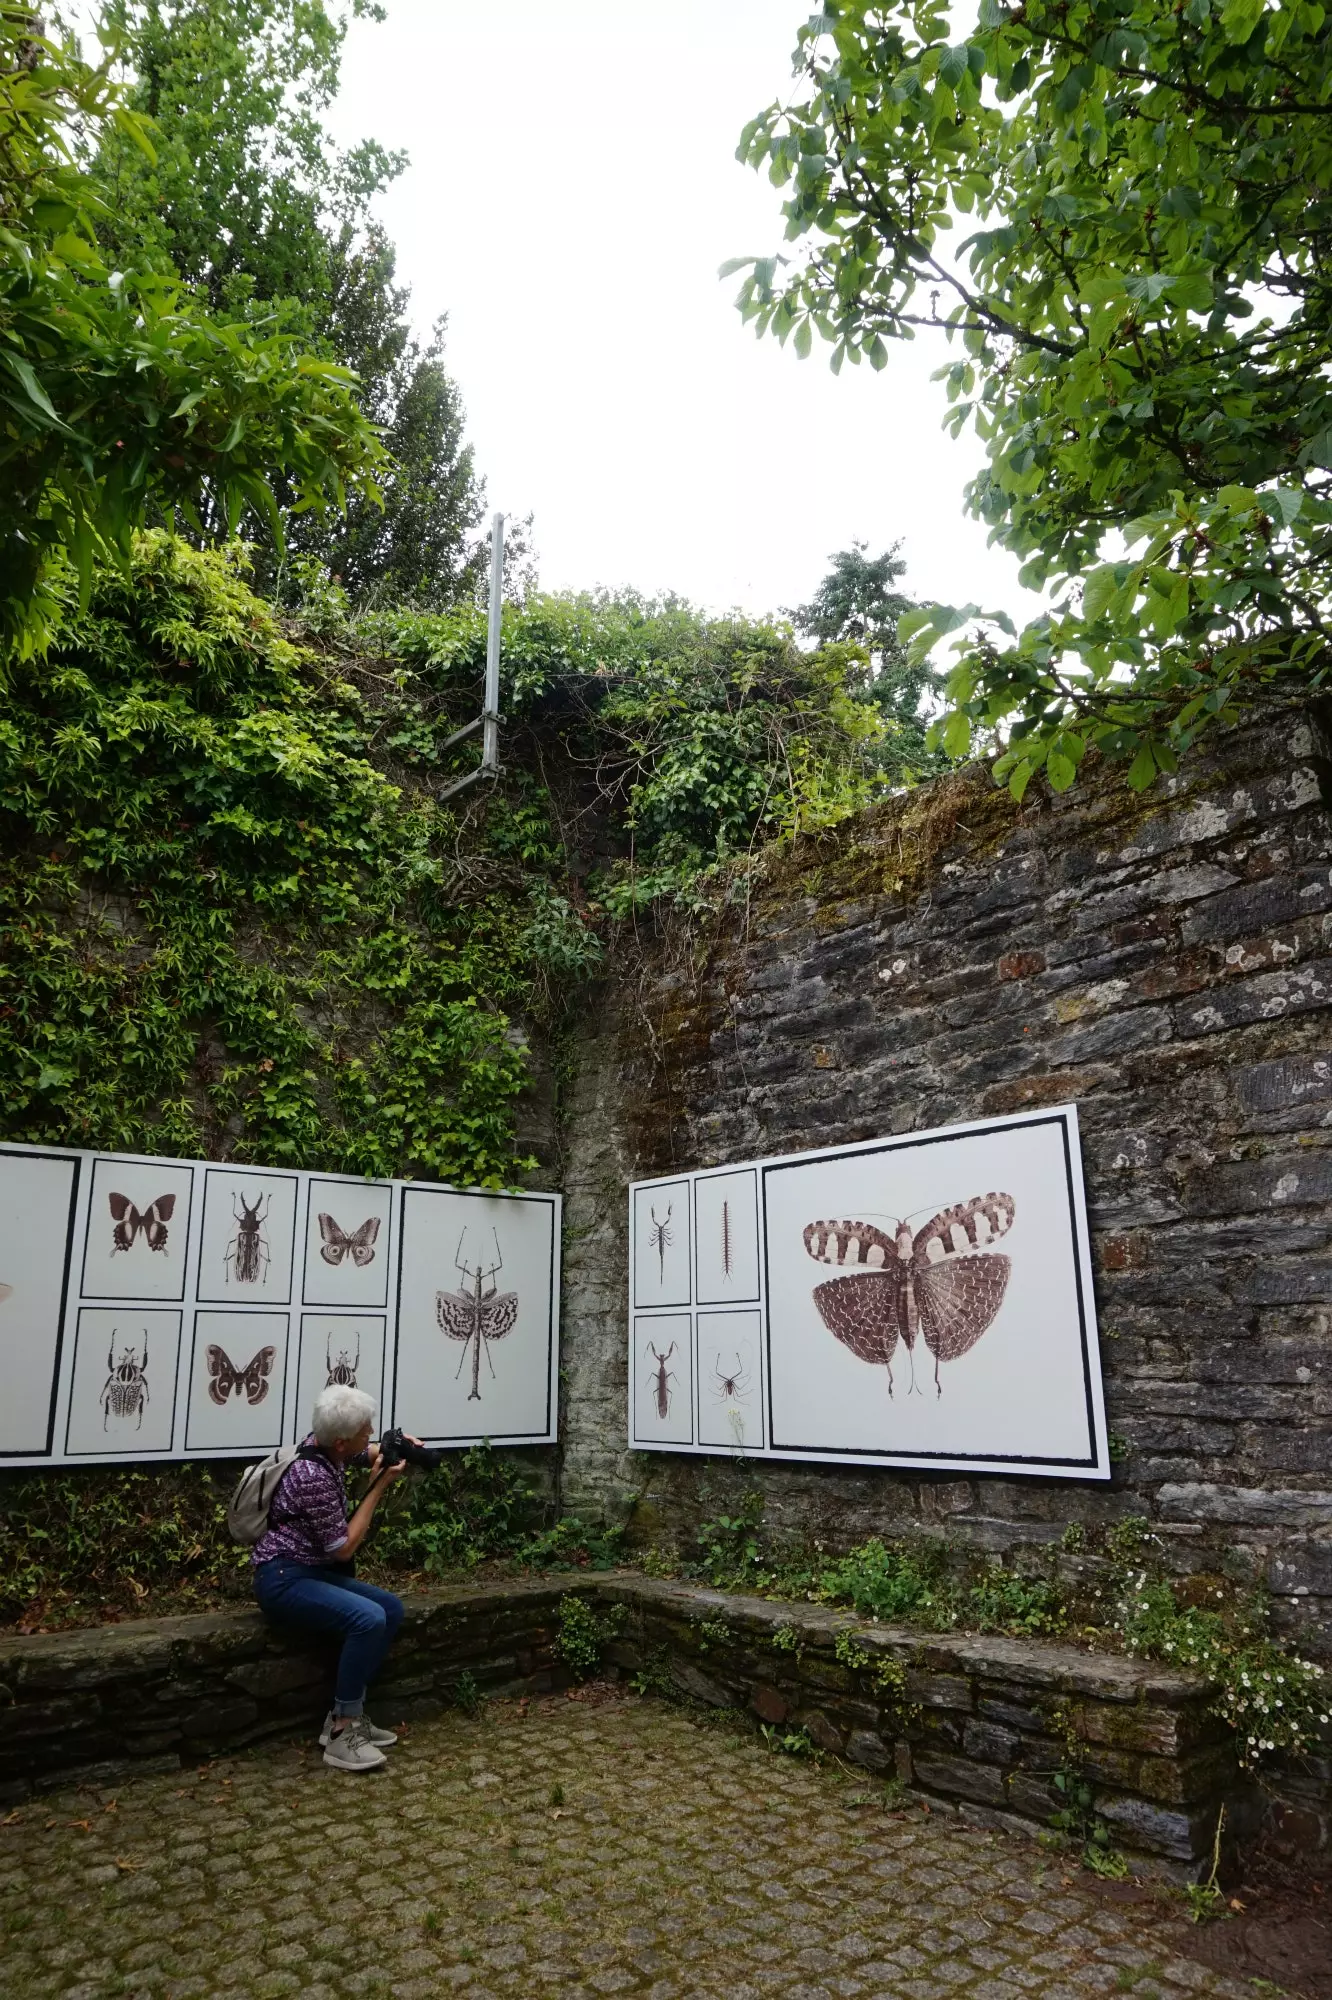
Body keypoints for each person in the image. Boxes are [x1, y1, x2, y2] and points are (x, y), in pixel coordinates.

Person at [251, 1384, 411, 1773]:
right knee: (367, 1618)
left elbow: (364, 1452)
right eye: (365, 1429)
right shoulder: (312, 1477)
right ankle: (342, 1732)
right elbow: (342, 1547)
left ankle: (346, 1712)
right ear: (339, 1440)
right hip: (284, 1578)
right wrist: (379, 1487)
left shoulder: (321, 1446)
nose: (370, 1433)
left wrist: (400, 1449)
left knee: (389, 1608)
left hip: (310, 1570)